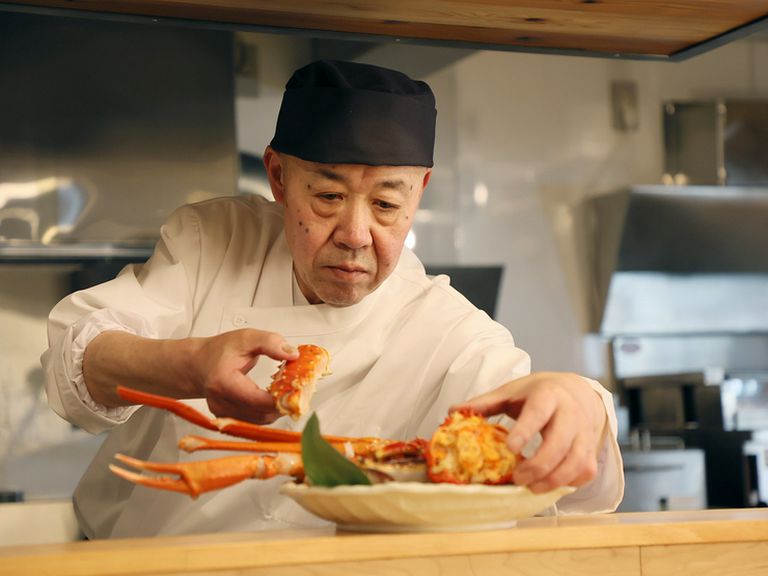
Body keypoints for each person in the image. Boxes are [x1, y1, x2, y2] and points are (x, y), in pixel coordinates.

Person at [42, 60, 624, 539]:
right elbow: (77, 357)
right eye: (325, 196)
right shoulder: (213, 241)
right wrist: (188, 365)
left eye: (387, 205)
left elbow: (557, 479)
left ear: (419, 191)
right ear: (277, 176)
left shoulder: (447, 331)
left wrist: (583, 402)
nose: (355, 233)